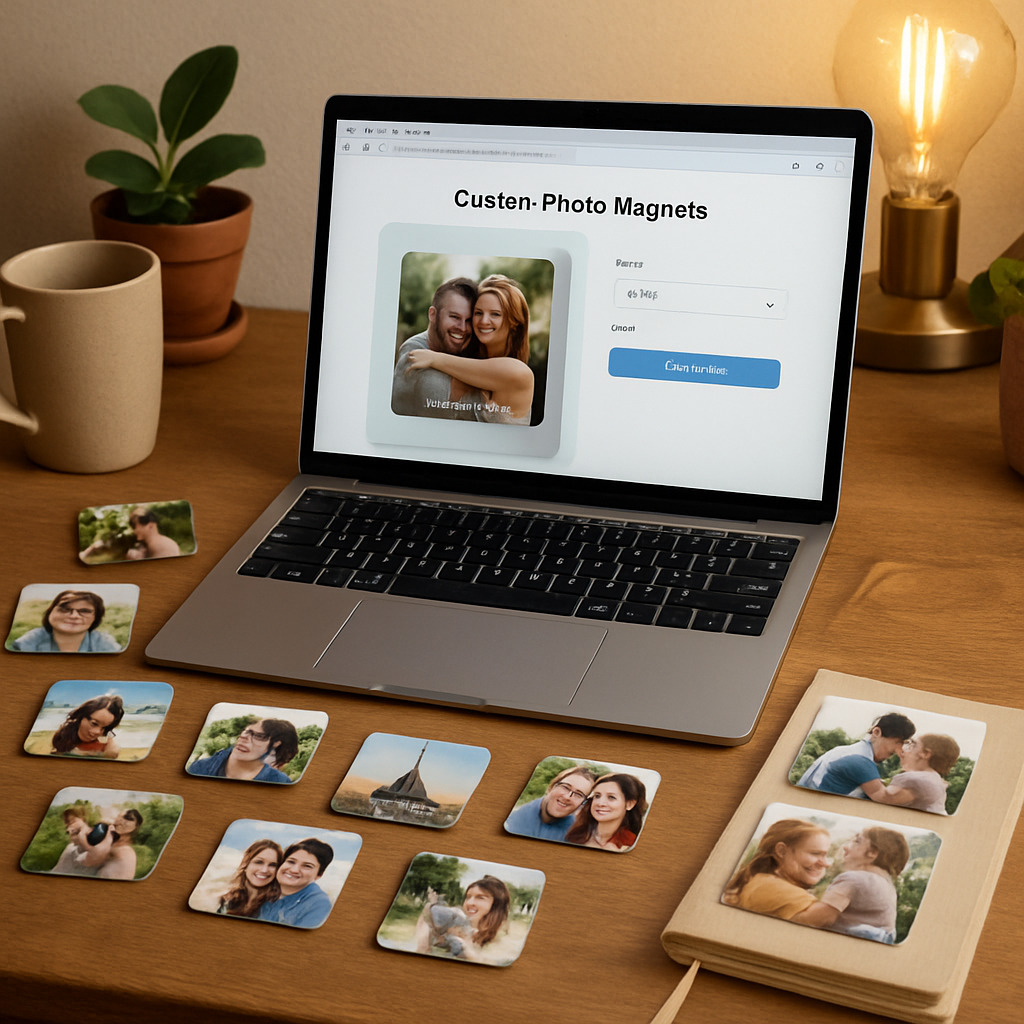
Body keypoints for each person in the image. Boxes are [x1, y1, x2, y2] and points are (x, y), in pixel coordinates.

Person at [405, 274, 535, 425]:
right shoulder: (465, 363)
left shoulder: (520, 374)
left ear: (515, 322)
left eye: (495, 314)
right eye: (478, 313)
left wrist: (435, 358)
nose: (483, 321)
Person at [791, 827, 909, 944]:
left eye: (857, 841)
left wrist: (786, 917)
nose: (846, 847)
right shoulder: (887, 886)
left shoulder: (853, 879)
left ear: (872, 853)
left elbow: (821, 918)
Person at [391, 277, 485, 420]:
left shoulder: (467, 349)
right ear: (433, 314)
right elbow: (435, 391)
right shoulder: (412, 351)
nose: (463, 328)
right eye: (454, 317)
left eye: (469, 320)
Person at [722, 819, 832, 920]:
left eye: (825, 855)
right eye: (815, 853)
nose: (825, 864)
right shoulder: (776, 890)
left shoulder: (760, 881)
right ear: (782, 851)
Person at [797, 712, 916, 798]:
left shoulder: (842, 751)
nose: (899, 750)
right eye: (898, 742)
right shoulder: (860, 760)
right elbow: (885, 798)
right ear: (876, 732)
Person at [416, 875, 511, 961]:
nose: (469, 903)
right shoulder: (453, 921)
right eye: (468, 897)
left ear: (496, 905)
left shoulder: (503, 940)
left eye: (480, 898)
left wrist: (469, 952)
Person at [868, 733, 960, 814]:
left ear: (926, 754)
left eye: (913, 745)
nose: (905, 749)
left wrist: (862, 769)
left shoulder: (915, 779)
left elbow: (883, 798)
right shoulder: (935, 779)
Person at [187, 718, 299, 783]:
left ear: (276, 744)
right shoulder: (200, 767)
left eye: (259, 736)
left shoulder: (279, 781)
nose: (244, 737)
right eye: (247, 731)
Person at [504, 765, 598, 841]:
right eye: (565, 787)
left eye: (578, 794)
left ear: (582, 804)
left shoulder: (575, 835)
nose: (567, 797)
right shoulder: (514, 818)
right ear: (551, 787)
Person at [10, 590, 122, 653]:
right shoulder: (29, 640)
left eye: (85, 611)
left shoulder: (105, 643)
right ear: (50, 613)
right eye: (65, 609)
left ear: (95, 618)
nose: (74, 616)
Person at [256, 838, 334, 928]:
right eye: (291, 861)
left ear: (319, 874)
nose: (294, 870)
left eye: (307, 866)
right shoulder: (265, 889)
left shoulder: (319, 903)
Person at [564, 773, 648, 852]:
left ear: (629, 804)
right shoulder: (575, 833)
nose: (600, 803)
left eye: (611, 797)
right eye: (597, 796)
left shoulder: (633, 845)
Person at [70, 809, 144, 880]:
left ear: (135, 827)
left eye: (128, 818)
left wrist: (82, 835)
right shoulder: (114, 837)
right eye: (120, 816)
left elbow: (89, 861)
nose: (121, 820)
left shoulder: (124, 849)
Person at [218, 839, 284, 917]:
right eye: (259, 862)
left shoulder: (277, 906)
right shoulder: (229, 900)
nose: (264, 870)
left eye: (272, 865)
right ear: (246, 864)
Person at [51, 694, 124, 758]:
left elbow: (113, 751)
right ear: (81, 716)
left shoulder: (105, 744)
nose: (97, 732)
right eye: (94, 723)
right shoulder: (64, 734)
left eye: (105, 728)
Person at [51, 808, 101, 876]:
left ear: (82, 819)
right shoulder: (70, 847)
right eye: (68, 823)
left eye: (73, 821)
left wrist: (82, 832)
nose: (71, 825)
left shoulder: (95, 834)